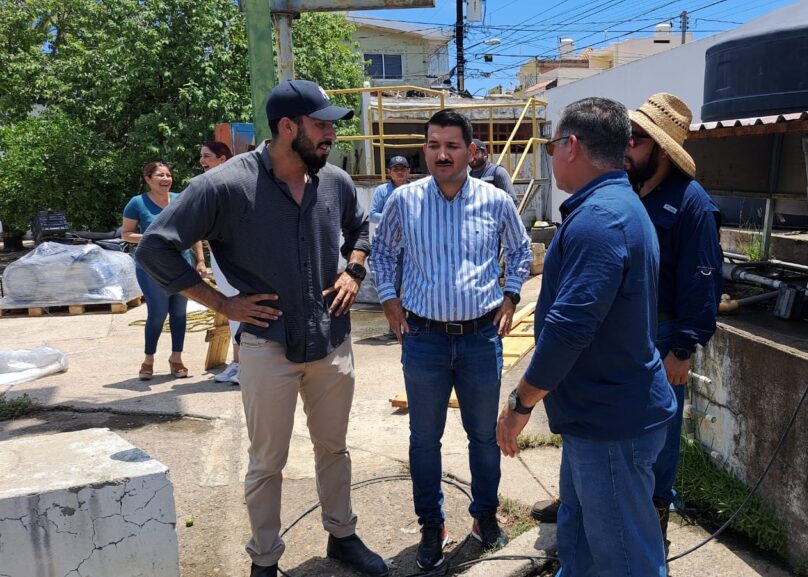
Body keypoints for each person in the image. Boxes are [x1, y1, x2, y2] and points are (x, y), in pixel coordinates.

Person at [135, 79, 388, 577]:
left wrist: (353, 270)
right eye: (320, 125)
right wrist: (221, 303)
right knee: (266, 461)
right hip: (268, 346)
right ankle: (265, 561)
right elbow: (154, 247)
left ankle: (342, 535)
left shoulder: (333, 182)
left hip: (331, 341)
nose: (330, 135)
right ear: (288, 127)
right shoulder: (224, 185)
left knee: (333, 448)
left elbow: (363, 226)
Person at [496, 97, 675, 577]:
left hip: (611, 424)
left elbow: (568, 330)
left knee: (623, 558)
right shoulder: (615, 207)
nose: (551, 155)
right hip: (597, 419)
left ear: (571, 145)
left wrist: (520, 404)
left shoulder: (601, 219)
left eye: (553, 145)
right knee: (580, 542)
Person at [371, 109, 532, 571]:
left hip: (482, 338)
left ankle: (484, 519)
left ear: (471, 150)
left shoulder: (495, 200)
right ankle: (431, 525)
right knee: (424, 439)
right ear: (425, 149)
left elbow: (520, 250)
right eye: (434, 145)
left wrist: (511, 294)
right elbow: (382, 252)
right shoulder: (405, 201)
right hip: (424, 340)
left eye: (452, 146)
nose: (442, 154)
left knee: (483, 436)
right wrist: (388, 299)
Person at [626, 92, 722, 550]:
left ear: (661, 149)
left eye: (636, 140)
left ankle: (655, 523)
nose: (626, 147)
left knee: (661, 437)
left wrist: (683, 348)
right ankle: (589, 502)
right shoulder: (626, 192)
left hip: (664, 335)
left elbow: (702, 282)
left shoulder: (691, 203)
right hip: (623, 330)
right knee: (614, 425)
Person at [122, 161, 206, 380]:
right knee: (158, 313)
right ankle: (148, 360)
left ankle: (176, 359)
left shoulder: (181, 200)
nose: (166, 178)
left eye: (168, 174)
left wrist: (200, 261)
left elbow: (194, 232)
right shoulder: (137, 203)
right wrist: (156, 237)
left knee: (179, 313)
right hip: (150, 267)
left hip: (181, 266)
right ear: (148, 179)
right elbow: (126, 234)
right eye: (160, 175)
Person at [198, 140, 243, 384]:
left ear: (223, 159)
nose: (202, 161)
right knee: (231, 310)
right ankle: (238, 362)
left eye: (207, 156)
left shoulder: (233, 186)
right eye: (201, 157)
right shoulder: (207, 187)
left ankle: (245, 364)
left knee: (241, 308)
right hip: (219, 256)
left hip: (237, 257)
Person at [369, 156, 412, 335]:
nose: (400, 172)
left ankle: (412, 326)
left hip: (412, 248)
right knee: (391, 288)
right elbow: (372, 215)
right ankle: (393, 327)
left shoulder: (414, 190)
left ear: (409, 171)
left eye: (403, 168)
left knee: (411, 286)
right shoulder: (382, 191)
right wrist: (396, 220)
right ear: (389, 172)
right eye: (395, 169)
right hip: (392, 249)